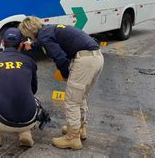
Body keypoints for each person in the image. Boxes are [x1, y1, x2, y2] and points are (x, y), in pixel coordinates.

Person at [19, 17, 104, 150]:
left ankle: (72, 138)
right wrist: (33, 45)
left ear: (29, 33)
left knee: (72, 100)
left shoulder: (44, 37)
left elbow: (60, 58)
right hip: (96, 57)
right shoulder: (48, 29)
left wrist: (66, 75)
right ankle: (79, 129)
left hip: (85, 62)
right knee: (80, 97)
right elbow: (48, 41)